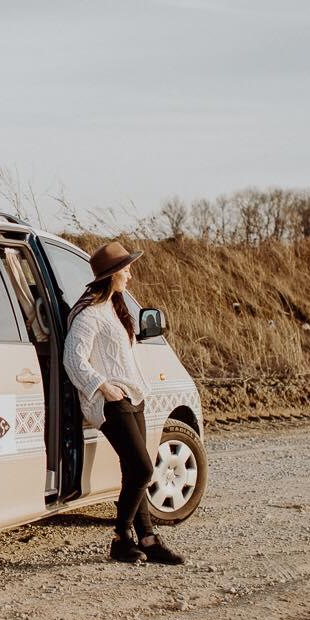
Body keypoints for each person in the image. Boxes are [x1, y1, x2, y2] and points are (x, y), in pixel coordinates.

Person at [63, 241, 185, 565]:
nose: (130, 275)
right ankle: (120, 538)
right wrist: (102, 387)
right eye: (126, 269)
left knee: (134, 469)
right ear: (112, 274)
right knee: (144, 468)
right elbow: (72, 359)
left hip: (133, 398)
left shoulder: (114, 308)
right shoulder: (89, 314)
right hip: (110, 402)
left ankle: (147, 538)